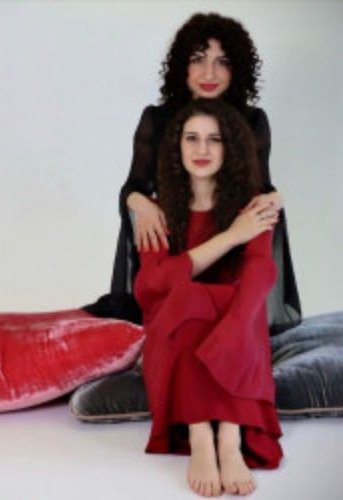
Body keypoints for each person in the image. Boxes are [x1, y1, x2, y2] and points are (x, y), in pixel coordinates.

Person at [84, 12, 301, 335]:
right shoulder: (157, 119)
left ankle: (243, 316)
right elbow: (132, 186)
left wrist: (276, 198)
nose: (209, 73)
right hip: (177, 242)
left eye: (222, 62)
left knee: (262, 221)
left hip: (231, 243)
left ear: (237, 69)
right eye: (198, 59)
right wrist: (139, 202)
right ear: (181, 66)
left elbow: (262, 188)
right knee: (147, 233)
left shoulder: (253, 120)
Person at [135, 98, 283, 497]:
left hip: (237, 327)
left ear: (229, 147)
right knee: (186, 297)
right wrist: (232, 236)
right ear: (177, 147)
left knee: (239, 298)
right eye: (192, 138)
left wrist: (234, 328)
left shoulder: (254, 206)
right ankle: (200, 436)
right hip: (174, 329)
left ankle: (230, 439)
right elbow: (153, 284)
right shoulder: (155, 211)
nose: (202, 149)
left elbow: (260, 272)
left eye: (214, 139)